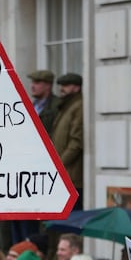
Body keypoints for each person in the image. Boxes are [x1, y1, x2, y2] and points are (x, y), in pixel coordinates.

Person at [50, 73, 83, 210]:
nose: (62, 88)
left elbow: (76, 141)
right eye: (61, 86)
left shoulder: (78, 106)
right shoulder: (66, 106)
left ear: (76, 88)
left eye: (66, 85)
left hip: (72, 174)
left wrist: (60, 164)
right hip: (63, 173)